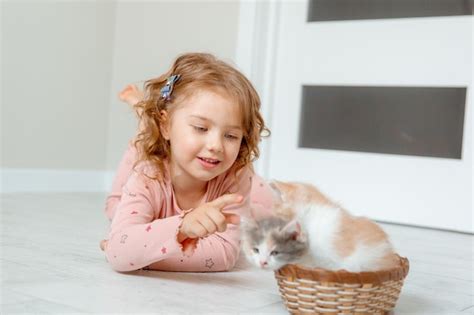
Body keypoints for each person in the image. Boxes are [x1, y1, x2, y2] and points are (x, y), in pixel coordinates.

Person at [101, 53, 274, 272]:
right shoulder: (148, 176)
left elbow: (223, 254)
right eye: (201, 128)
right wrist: (182, 228)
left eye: (231, 136)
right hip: (154, 161)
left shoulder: (235, 176)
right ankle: (145, 123)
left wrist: (142, 254)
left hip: (255, 197)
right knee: (115, 207)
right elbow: (119, 252)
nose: (216, 145)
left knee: (268, 214)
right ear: (165, 125)